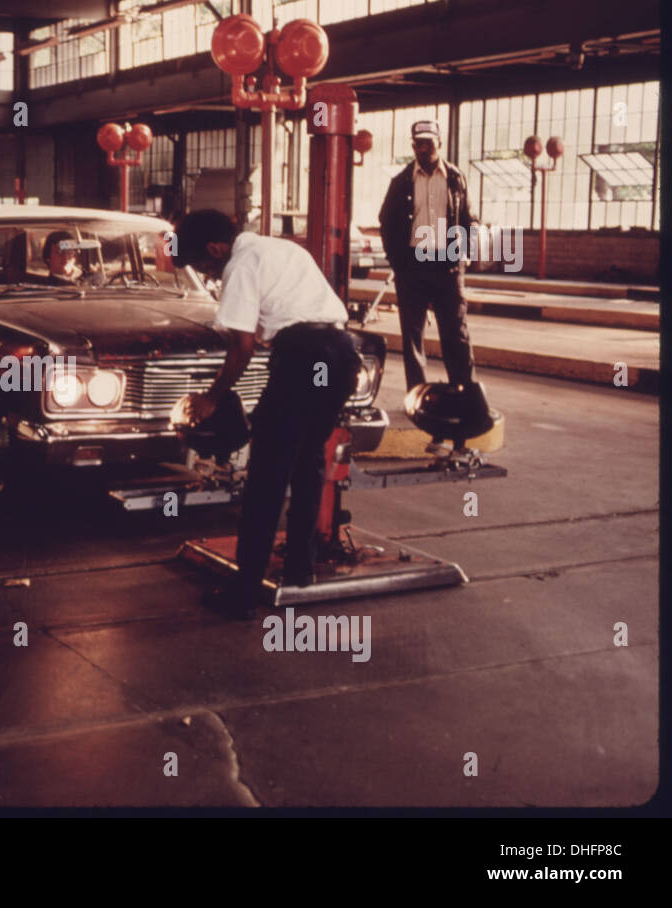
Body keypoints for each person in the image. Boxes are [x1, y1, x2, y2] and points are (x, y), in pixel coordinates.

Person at [175, 209, 362, 619]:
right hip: (341, 356)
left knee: (267, 474)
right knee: (309, 459)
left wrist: (212, 396)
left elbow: (241, 347)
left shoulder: (240, 264)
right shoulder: (279, 248)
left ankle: (243, 593)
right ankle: (299, 569)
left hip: (305, 355)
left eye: (203, 263)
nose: (207, 272)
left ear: (215, 249)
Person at [378, 120, 479, 392]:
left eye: (429, 143)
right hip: (412, 267)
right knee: (413, 336)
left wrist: (465, 254)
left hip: (447, 267)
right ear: (413, 146)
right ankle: (417, 392)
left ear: (440, 144)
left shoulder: (456, 179)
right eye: (419, 144)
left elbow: (470, 219)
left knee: (456, 333)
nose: (424, 149)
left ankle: (464, 389)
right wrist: (398, 261)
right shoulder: (401, 181)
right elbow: (386, 221)